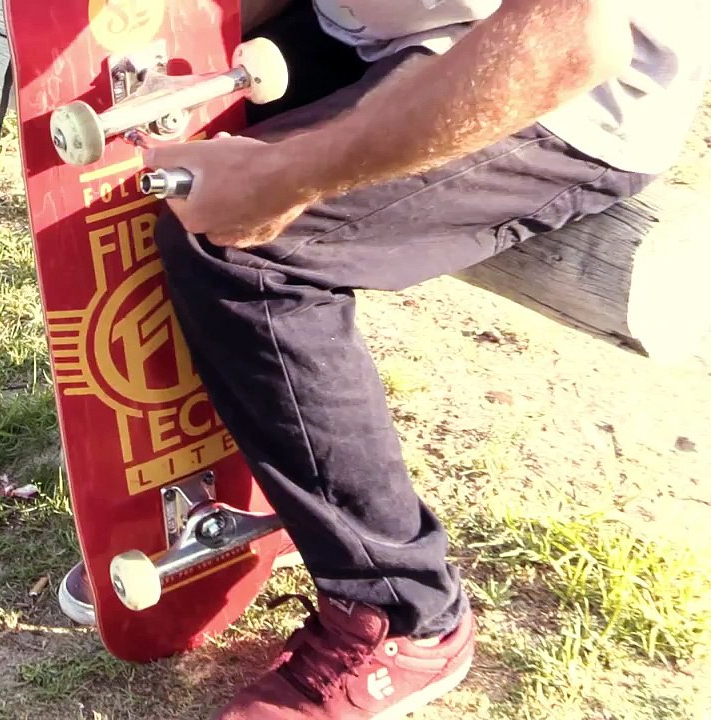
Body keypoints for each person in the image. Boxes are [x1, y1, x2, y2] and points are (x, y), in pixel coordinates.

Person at [64, 1, 709, 718]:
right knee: (156, 146)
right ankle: (245, 504)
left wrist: (287, 178)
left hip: (567, 88)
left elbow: (573, 39)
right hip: (377, 24)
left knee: (244, 250)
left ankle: (402, 614)